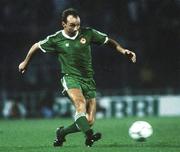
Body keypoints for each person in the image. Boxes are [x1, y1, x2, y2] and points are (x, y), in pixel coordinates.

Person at [18, 8, 136, 147]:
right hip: (70, 78)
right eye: (72, 25)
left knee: (89, 121)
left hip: (89, 79)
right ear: (64, 24)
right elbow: (36, 46)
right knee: (80, 105)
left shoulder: (88, 33)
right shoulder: (56, 39)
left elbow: (108, 41)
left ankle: (61, 133)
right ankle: (90, 136)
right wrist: (25, 62)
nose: (76, 28)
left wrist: (123, 51)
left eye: (78, 24)